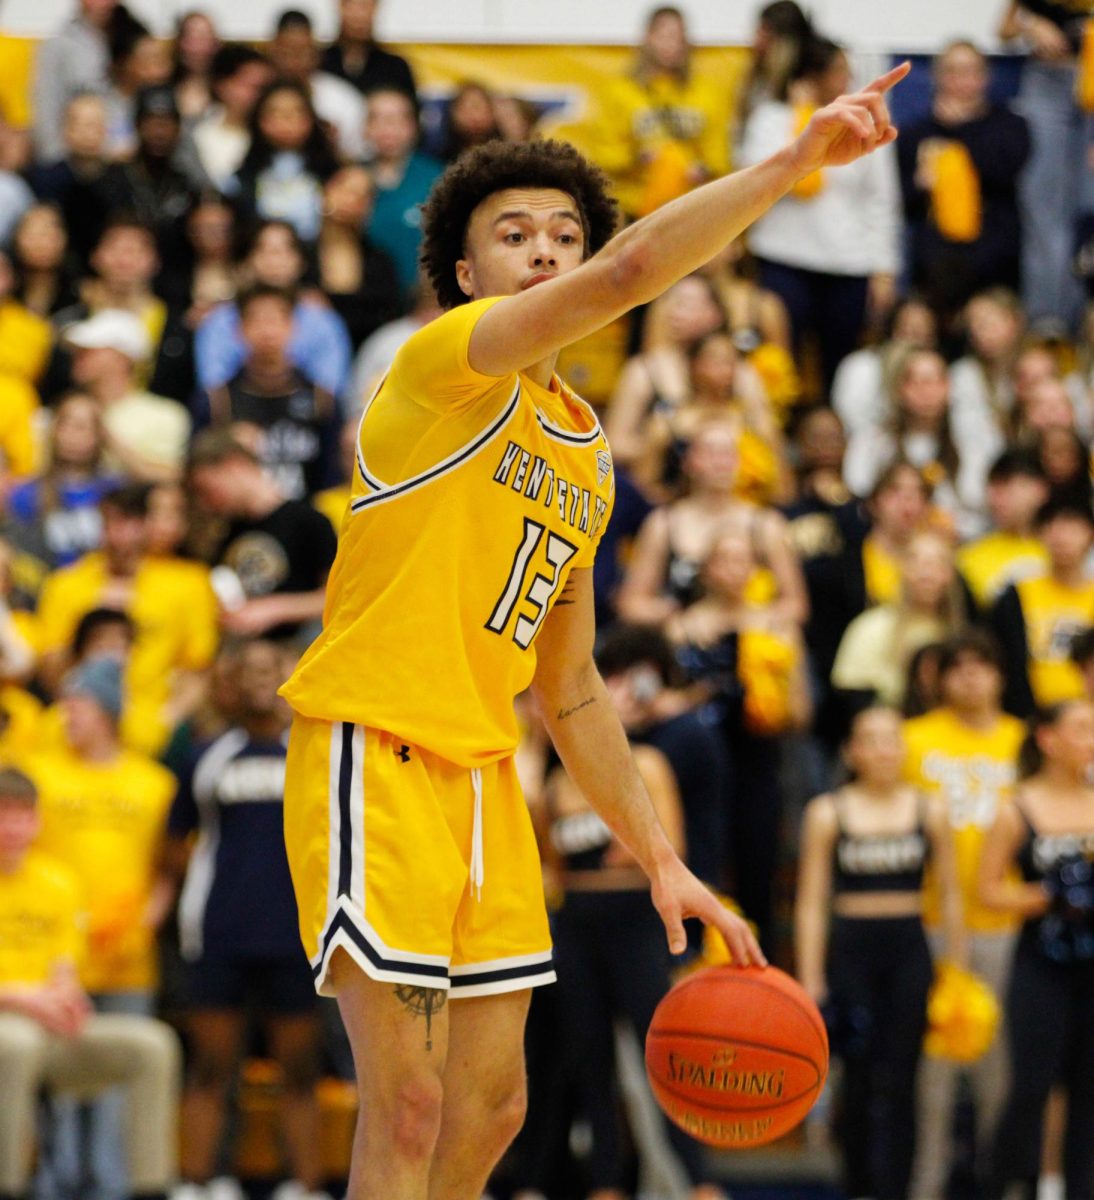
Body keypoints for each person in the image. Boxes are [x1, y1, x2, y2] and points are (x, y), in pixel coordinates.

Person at [277, 63, 909, 1198]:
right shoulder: (441, 369)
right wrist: (791, 162)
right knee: (408, 1102)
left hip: (484, 779)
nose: (545, 250)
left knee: (494, 1109)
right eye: (512, 234)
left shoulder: (584, 456)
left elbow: (568, 689)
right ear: (467, 273)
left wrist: (661, 857)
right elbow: (634, 271)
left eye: (563, 233)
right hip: (372, 751)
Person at [162, 639, 327, 1200]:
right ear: (230, 682)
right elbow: (173, 843)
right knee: (210, 1069)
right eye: (248, 667)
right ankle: (197, 1183)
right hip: (219, 932)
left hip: (297, 934)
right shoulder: (205, 756)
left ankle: (304, 1187)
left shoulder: (317, 754)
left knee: (300, 1072)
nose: (260, 677)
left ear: (290, 676)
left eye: (271, 666)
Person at [795, 706, 964, 1200]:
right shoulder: (827, 812)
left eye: (892, 738)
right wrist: (811, 980)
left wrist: (956, 968)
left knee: (905, 1078)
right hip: (850, 950)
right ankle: (857, 1186)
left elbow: (950, 893)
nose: (883, 749)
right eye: (871, 739)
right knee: (860, 1077)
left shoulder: (929, 809)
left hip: (909, 949)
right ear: (852, 750)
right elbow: (810, 902)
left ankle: (899, 1188)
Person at [0, 765, 181, 1200]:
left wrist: (64, 999)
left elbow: (66, 968)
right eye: (3, 814)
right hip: (12, 1026)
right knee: (16, 1043)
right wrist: (24, 998)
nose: (13, 827)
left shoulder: (58, 881)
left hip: (47, 1024)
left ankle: (149, 1188)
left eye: (23, 815)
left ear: (39, 821)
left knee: (153, 1045)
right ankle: (11, 1186)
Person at [903, 632, 1025, 1200]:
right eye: (959, 667)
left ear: (1001, 675)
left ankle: (997, 1183)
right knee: (935, 1067)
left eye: (984, 665)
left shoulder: (1023, 740)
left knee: (1000, 1067)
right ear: (939, 677)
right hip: (930, 921)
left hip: (1007, 925)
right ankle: (927, 1185)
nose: (971, 677)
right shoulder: (912, 739)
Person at [739, 37, 902, 397]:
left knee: (840, 369)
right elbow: (754, 176)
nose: (847, 79)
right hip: (784, 259)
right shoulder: (773, 117)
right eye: (839, 71)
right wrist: (801, 117)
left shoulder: (865, 120)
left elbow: (882, 201)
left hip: (849, 265)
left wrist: (885, 268)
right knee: (780, 365)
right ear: (813, 75)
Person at [979, 699, 1094, 1200]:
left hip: (1093, 966)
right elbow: (986, 890)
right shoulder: (1016, 807)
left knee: (1090, 1094)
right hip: (1039, 964)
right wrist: (1047, 894)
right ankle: (1005, 1185)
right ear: (1048, 739)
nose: (1092, 738)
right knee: (1030, 1087)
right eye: (1083, 728)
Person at [897, 40, 1030, 329]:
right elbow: (900, 206)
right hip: (935, 266)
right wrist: (920, 184)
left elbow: (1004, 172)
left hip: (994, 260)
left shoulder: (1011, 126)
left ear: (986, 77)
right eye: (953, 72)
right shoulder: (914, 134)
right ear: (937, 77)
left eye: (971, 72)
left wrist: (961, 130)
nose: (962, 82)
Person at [186, 429, 337, 641]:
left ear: (234, 465)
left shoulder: (308, 520)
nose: (209, 502)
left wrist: (274, 609)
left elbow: (335, 597)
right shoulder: (226, 531)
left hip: (300, 649)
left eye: (209, 490)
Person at [194, 283, 340, 500]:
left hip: (306, 518)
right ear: (239, 329)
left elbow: (333, 474)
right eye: (257, 321)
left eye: (276, 320)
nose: (268, 331)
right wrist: (226, 443)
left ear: (293, 326)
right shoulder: (217, 400)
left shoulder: (321, 398)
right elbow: (196, 468)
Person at [591, 5, 731, 221]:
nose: (672, 45)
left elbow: (718, 156)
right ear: (648, 37)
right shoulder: (621, 91)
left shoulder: (707, 93)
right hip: (636, 212)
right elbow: (604, 155)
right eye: (664, 36)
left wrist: (703, 170)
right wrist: (637, 158)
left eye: (678, 37)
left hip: (688, 208)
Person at [832, 528, 967, 711]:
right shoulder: (870, 628)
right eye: (916, 561)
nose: (926, 573)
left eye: (938, 563)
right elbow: (853, 701)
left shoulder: (962, 636)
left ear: (952, 574)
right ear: (901, 568)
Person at [991, 497, 1094, 716]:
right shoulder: (1016, 594)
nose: (1061, 537)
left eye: (1072, 527)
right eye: (1052, 526)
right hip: (1030, 716)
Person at [63, 308, 192, 482]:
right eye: (78, 350)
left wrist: (103, 435)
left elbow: (169, 478)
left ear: (123, 357)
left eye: (90, 349)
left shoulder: (164, 415)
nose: (79, 356)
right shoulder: (65, 411)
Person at [364, 88, 445, 299]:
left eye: (397, 119)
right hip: (369, 300)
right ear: (365, 128)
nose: (388, 128)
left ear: (414, 126)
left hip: (424, 300)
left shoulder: (436, 176)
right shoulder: (351, 178)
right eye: (378, 119)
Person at [956, 447, 1050, 612]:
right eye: (992, 487)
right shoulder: (969, 557)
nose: (996, 499)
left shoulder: (1064, 549)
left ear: (1039, 489)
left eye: (1007, 486)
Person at [266, 9, 365, 162]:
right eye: (286, 53)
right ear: (271, 51)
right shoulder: (255, 94)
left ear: (317, 55)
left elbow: (358, 157)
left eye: (302, 53)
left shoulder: (343, 99)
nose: (294, 63)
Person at [31, 0, 117, 165]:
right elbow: (46, 101)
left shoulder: (125, 36)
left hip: (111, 160)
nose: (108, 4)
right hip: (67, 160)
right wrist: (54, 158)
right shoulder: (58, 44)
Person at [185, 44, 272, 191]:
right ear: (222, 85)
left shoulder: (271, 137)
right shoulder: (195, 130)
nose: (259, 96)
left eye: (264, 88)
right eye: (251, 86)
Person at [320, 0, 416, 99]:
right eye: (353, 6)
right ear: (340, 7)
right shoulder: (318, 62)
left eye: (366, 6)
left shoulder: (395, 67)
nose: (360, 15)